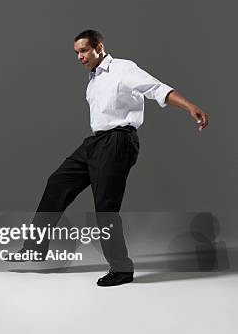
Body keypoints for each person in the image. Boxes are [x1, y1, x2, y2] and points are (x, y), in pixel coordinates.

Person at [15, 29, 209, 286]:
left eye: (84, 51)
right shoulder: (93, 79)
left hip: (118, 141)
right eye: (76, 53)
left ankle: (121, 269)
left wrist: (190, 107)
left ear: (99, 47)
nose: (80, 57)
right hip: (96, 142)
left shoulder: (122, 68)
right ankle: (35, 247)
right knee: (57, 183)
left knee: (105, 205)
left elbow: (157, 88)